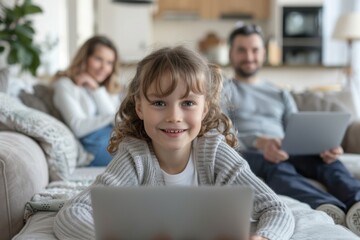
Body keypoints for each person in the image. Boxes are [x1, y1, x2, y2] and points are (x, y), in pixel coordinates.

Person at [53, 46, 295, 240]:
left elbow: (276, 209)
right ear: (140, 107)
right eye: (159, 103)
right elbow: (71, 215)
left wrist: (263, 237)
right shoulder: (135, 156)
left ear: (204, 109)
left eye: (188, 103)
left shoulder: (214, 152)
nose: (174, 116)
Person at [221, 23, 360, 235]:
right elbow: (222, 136)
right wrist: (260, 141)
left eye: (255, 50)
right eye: (242, 50)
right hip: (251, 152)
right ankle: (329, 208)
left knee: (328, 162)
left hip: (285, 146)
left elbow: (297, 128)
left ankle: (357, 204)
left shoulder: (279, 93)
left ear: (264, 53)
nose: (249, 56)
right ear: (231, 53)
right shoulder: (223, 91)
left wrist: (323, 146)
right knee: (277, 165)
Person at [52, 35, 123, 166]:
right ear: (84, 58)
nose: (104, 67)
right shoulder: (65, 85)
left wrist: (96, 89)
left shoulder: (106, 87)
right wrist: (110, 117)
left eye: (109, 63)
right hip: (92, 147)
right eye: (98, 59)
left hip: (112, 138)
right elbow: (78, 126)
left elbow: (117, 122)